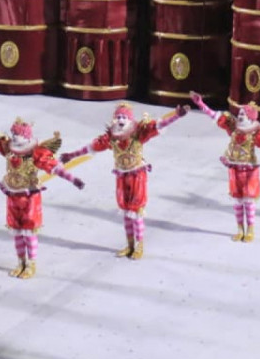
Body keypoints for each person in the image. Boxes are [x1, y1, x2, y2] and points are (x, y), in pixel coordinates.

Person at [0, 117, 85, 279]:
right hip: (12, 193)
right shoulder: (8, 147)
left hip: (29, 196)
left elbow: (54, 168)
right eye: (13, 133)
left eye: (18, 134)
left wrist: (73, 179)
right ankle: (21, 262)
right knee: (16, 231)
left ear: (27, 136)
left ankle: (31, 263)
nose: (15, 137)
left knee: (28, 232)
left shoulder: (35, 153)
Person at [59, 102, 189, 259]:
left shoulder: (139, 132)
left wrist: (176, 116)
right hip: (121, 176)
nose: (120, 120)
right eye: (118, 117)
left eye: (124, 117)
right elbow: (90, 148)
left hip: (137, 176)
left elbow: (159, 125)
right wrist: (71, 155)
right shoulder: (111, 137)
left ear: (130, 120)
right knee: (126, 212)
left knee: (136, 211)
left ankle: (139, 246)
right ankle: (130, 245)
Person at [189, 93, 260, 242]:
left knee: (248, 200)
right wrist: (201, 104)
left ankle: (250, 229)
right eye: (239, 113)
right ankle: (240, 229)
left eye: (243, 114)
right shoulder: (233, 128)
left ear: (251, 118)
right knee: (237, 200)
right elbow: (215, 116)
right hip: (234, 168)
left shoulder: (255, 134)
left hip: (249, 170)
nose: (240, 116)